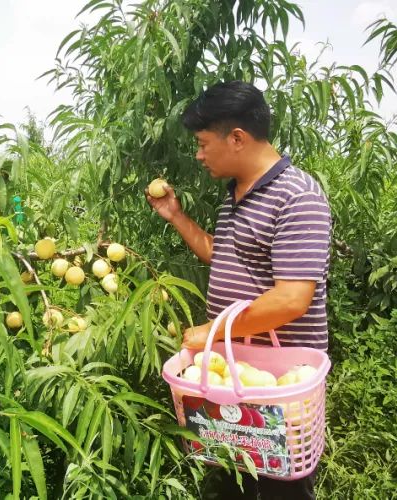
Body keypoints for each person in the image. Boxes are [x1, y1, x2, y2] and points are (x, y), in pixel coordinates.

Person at [146, 81, 332, 499]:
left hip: (277, 382)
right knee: (233, 481)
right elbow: (223, 255)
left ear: (237, 138)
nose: (198, 154)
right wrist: (175, 216)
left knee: (280, 487)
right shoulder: (236, 195)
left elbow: (291, 299)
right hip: (234, 373)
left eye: (202, 142)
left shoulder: (298, 197)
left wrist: (212, 331)